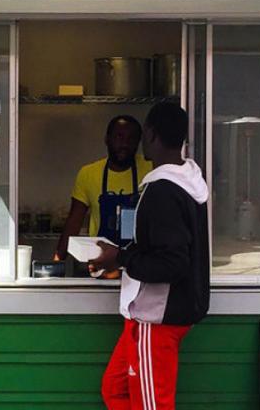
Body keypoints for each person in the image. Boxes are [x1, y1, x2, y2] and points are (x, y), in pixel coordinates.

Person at [89, 102, 210, 410]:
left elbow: (172, 263)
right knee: (115, 389)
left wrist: (121, 258)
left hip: (156, 320)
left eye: (144, 133)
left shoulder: (163, 192)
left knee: (152, 405)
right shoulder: (188, 183)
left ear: (153, 135)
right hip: (153, 317)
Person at [55, 115, 153, 262]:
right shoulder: (88, 174)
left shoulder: (151, 170)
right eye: (119, 137)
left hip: (138, 262)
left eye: (131, 138)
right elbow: (74, 222)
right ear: (107, 139)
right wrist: (57, 262)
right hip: (100, 262)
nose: (124, 144)